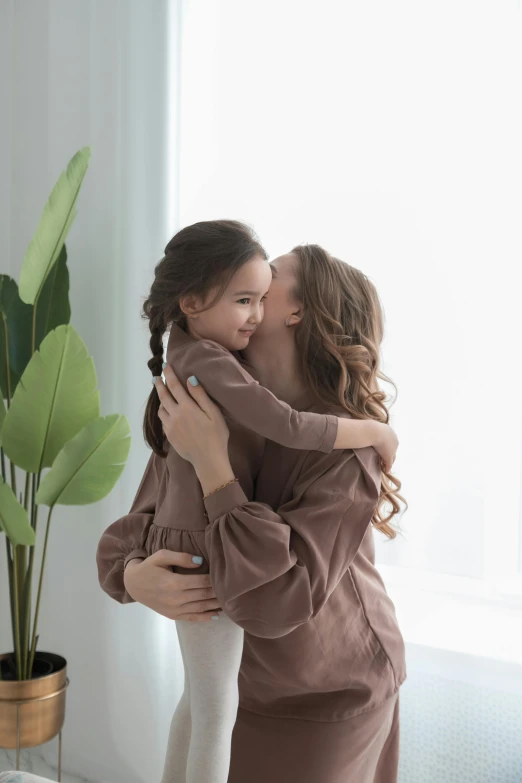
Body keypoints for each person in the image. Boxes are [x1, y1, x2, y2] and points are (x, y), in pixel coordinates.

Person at [96, 220, 399, 783]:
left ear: (297, 313)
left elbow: (276, 599)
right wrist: (134, 576)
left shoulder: (345, 449)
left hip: (330, 700)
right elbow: (146, 523)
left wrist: (215, 468)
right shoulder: (208, 405)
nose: (252, 284)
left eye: (272, 277)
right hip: (236, 694)